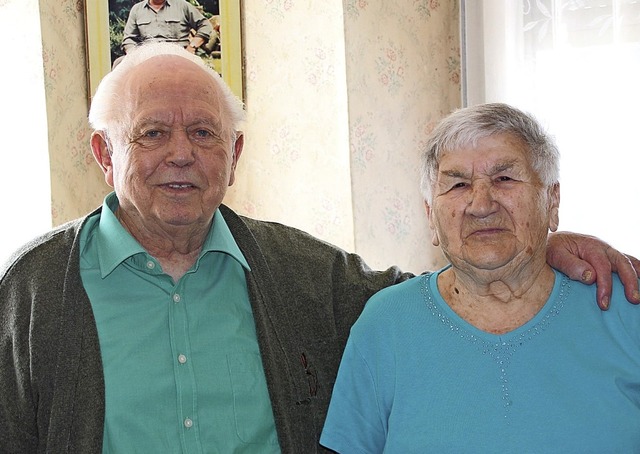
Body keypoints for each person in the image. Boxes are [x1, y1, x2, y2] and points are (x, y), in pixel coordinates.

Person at [0, 45, 637, 454]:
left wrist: (546, 245)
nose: (182, 154)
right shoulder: (30, 289)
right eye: (152, 134)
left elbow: (450, 290)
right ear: (104, 153)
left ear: (235, 155)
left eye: (203, 133)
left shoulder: (307, 274)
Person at [320, 103, 640, 453]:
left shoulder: (623, 306)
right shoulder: (384, 325)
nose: (481, 204)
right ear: (430, 216)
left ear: (552, 199)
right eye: (457, 184)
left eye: (504, 179)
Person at [121, 0, 214, 55]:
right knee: (118, 65)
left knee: (204, 77)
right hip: (147, 57)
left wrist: (192, 46)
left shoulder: (182, 5)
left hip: (180, 55)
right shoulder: (137, 9)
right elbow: (129, 38)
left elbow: (205, 25)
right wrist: (133, 54)